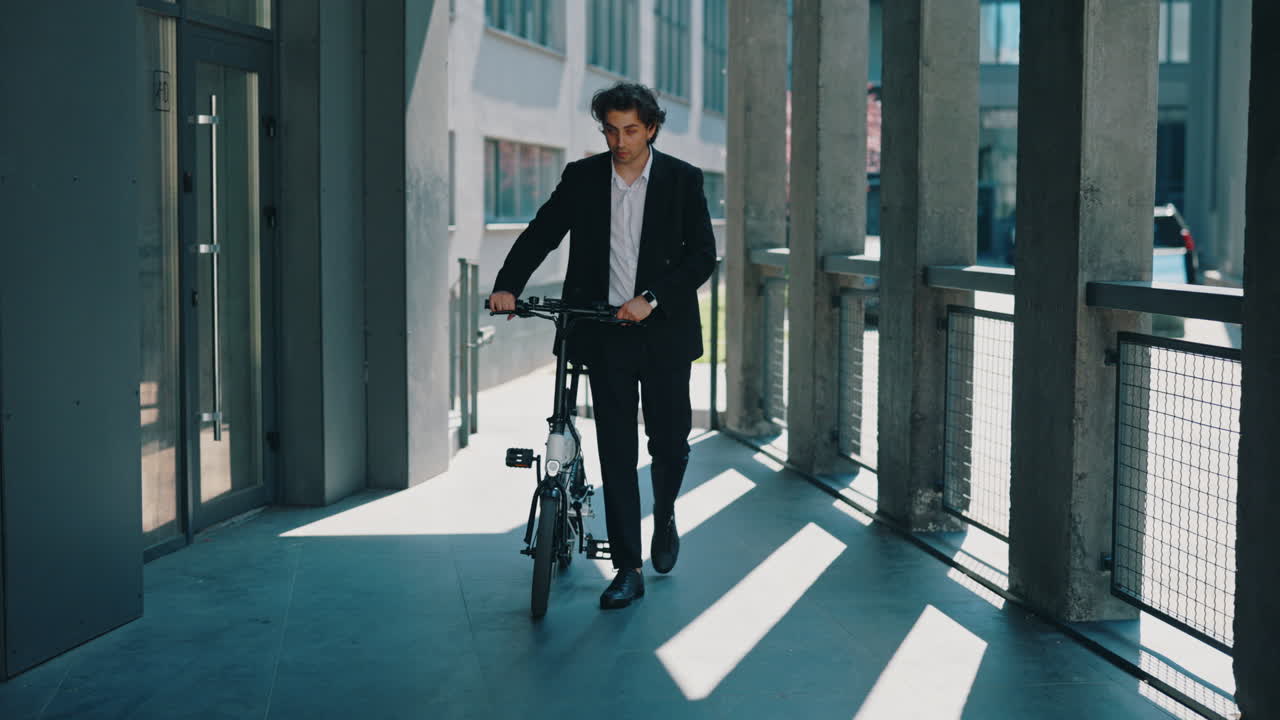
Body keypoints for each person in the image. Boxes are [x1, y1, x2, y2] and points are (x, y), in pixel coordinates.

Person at [488, 82, 717, 610]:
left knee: (669, 443)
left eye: (630, 130)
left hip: (664, 332)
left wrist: (651, 299)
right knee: (616, 449)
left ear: (651, 129)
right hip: (604, 330)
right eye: (611, 130)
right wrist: (508, 285)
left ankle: (665, 514)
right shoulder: (583, 177)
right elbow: (542, 232)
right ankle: (628, 568)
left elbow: (702, 257)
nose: (619, 141)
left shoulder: (683, 180)